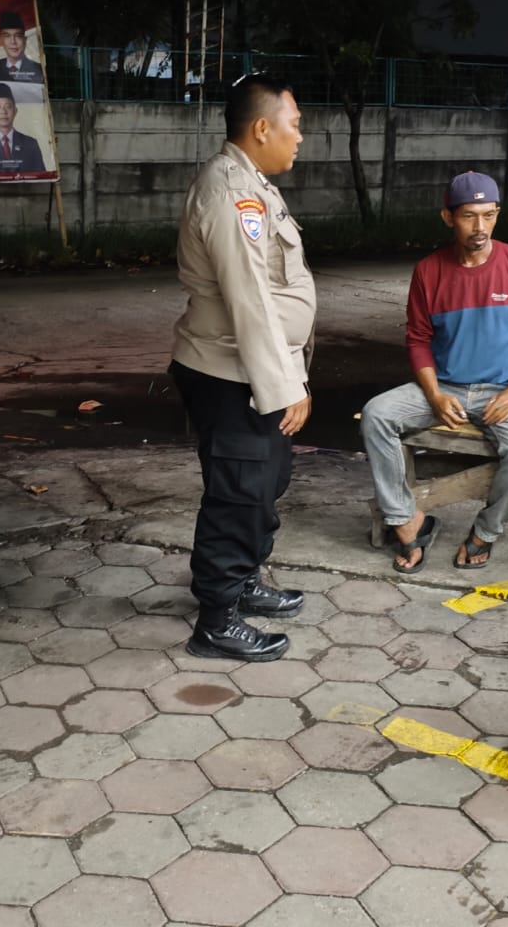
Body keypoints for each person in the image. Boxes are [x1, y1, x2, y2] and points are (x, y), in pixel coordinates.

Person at [169, 73, 314, 662]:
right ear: (261, 128)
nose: (300, 137)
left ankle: (244, 580)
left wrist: (292, 375)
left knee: (264, 486)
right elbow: (250, 299)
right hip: (233, 375)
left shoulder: (254, 184)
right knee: (238, 496)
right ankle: (216, 620)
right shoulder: (232, 193)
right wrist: (285, 387)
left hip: (251, 371)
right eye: (294, 125)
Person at [360, 171, 508, 574]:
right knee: (377, 414)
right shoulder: (429, 271)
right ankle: (406, 520)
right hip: (445, 386)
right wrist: (434, 394)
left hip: (504, 391)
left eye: (489, 215)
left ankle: (485, 532)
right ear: (448, 217)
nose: (480, 227)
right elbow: (418, 339)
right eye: (469, 216)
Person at [0, 84, 49, 174]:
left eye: (8, 106)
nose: (3, 112)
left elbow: (40, 176)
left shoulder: (30, 144)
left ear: (15, 110)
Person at [0, 11, 44, 83]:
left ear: (25, 40)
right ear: (1, 40)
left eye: (18, 36)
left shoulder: (40, 70)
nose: (13, 42)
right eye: (7, 36)